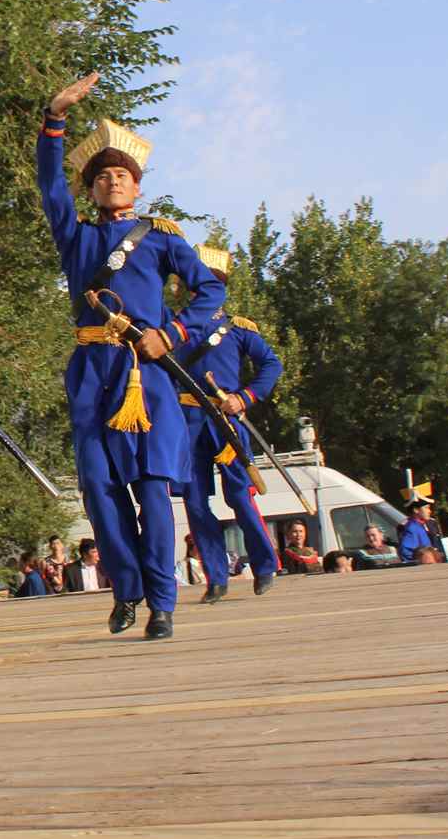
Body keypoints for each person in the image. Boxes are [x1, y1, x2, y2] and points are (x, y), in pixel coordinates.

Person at [40, 76, 226, 642]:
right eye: (102, 177)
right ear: (92, 191)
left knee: (150, 489)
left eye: (122, 175)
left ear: (138, 188)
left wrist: (172, 333)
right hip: (92, 373)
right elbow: (50, 186)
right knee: (99, 490)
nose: (112, 181)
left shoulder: (162, 239)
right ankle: (126, 590)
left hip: (147, 373)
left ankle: (162, 604)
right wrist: (54, 119)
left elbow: (210, 292)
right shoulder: (76, 239)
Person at [172, 244, 285, 604]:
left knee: (239, 495)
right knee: (195, 503)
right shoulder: (172, 328)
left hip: (226, 420)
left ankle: (264, 566)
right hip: (187, 423)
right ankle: (216, 578)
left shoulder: (237, 328)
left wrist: (245, 398)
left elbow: (272, 365)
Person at [397, 498, 439, 564]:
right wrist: (421, 559)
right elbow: (405, 551)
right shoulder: (412, 527)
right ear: (416, 510)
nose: (429, 511)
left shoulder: (423, 525)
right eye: (426, 508)